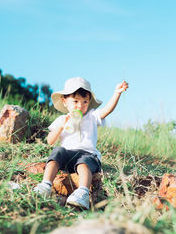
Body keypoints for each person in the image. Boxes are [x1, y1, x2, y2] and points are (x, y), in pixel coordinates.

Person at [33, 77, 128, 209]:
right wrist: (61, 126)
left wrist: (117, 93)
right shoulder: (61, 119)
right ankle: (45, 185)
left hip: (88, 154)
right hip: (67, 155)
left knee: (84, 162)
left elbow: (107, 110)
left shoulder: (92, 116)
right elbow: (50, 141)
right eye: (76, 101)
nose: (80, 106)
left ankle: (83, 192)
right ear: (64, 101)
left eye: (85, 102)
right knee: (57, 152)